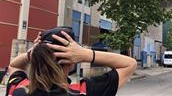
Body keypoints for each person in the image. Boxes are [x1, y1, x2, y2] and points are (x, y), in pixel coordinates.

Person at [5, 27, 137, 96]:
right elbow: (130, 64)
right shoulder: (84, 91)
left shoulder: (17, 90)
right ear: (72, 62)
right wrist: (86, 54)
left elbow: (13, 65)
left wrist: (31, 53)